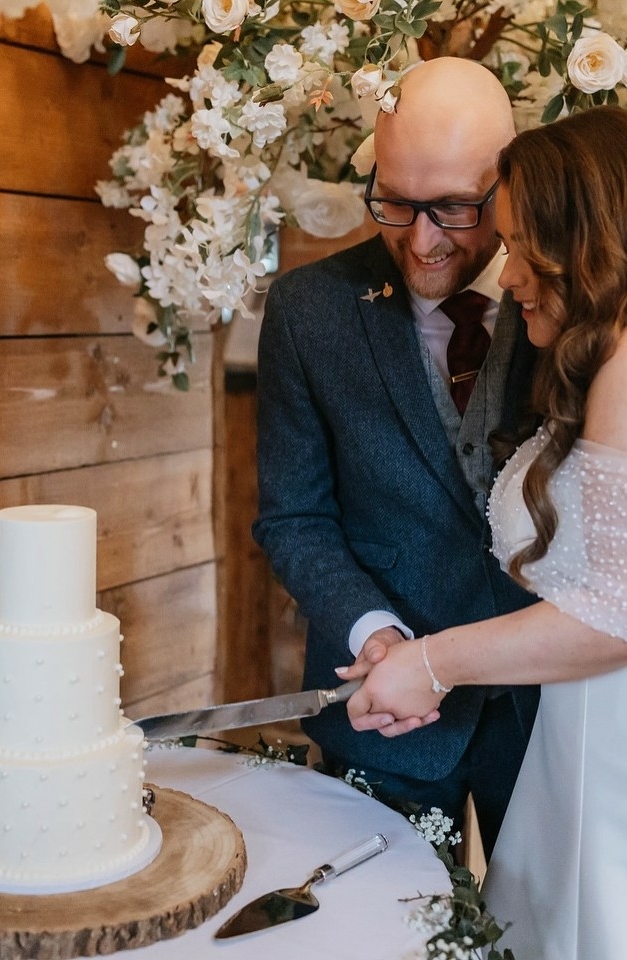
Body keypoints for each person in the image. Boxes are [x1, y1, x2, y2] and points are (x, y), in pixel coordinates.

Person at [342, 105, 627, 960]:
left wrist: (432, 662)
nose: (505, 278)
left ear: (587, 243)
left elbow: (614, 611)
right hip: (574, 734)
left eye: (522, 249)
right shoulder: (599, 352)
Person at [252, 56, 540, 858]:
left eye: (452, 207)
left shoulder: (570, 296)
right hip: (383, 717)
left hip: (554, 716)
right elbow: (294, 516)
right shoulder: (308, 312)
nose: (420, 241)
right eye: (395, 201)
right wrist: (373, 633)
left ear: (508, 178)